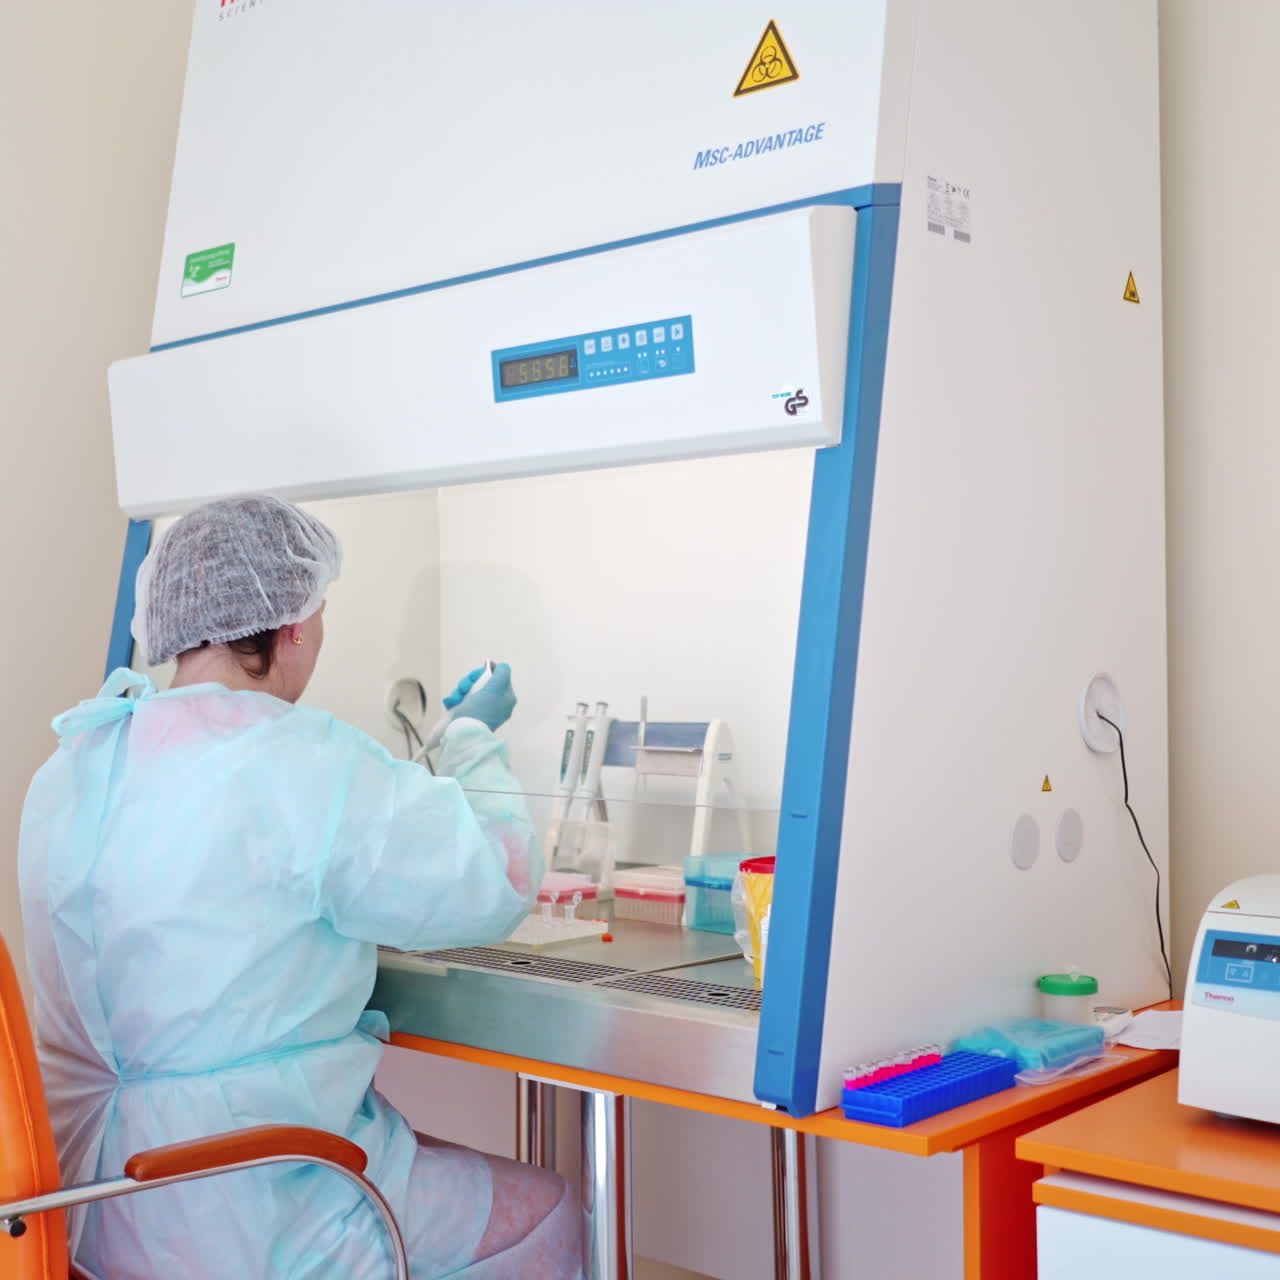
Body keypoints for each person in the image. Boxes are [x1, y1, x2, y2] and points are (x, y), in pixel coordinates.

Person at [18, 495, 583, 1279]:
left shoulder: (73, 764)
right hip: (248, 1201)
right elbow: (494, 880)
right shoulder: (301, 761)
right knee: (551, 1212)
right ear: (292, 625)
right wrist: (474, 739)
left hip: (85, 1205)